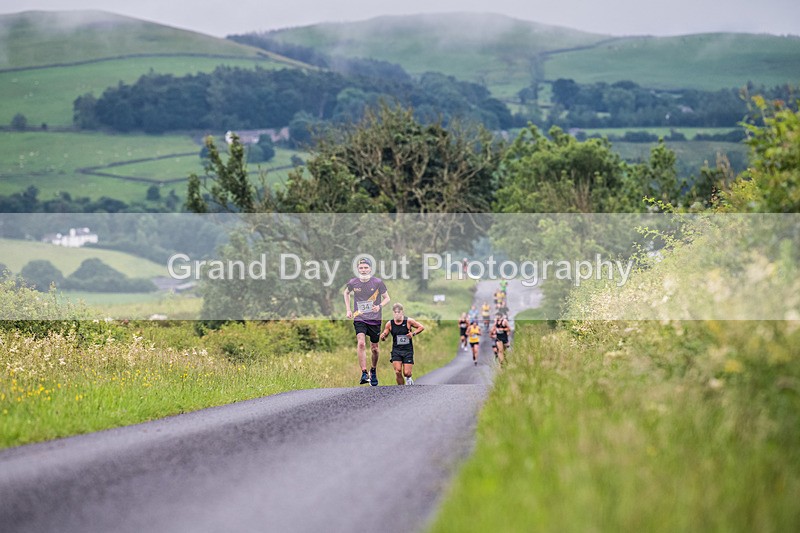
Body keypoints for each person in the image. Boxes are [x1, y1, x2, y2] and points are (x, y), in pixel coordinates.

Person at [344, 257, 390, 386]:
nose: (363, 270)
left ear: (370, 269)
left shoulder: (378, 282)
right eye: (361, 268)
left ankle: (373, 370)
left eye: (365, 268)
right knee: (361, 344)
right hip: (359, 317)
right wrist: (348, 310)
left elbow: (387, 298)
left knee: (375, 349)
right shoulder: (353, 282)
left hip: (375, 319)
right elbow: (346, 293)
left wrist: (379, 306)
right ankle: (364, 373)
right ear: (358, 269)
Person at [380, 303, 425, 385]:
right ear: (393, 313)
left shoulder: (408, 321)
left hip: (408, 350)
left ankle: (409, 378)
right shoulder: (390, 323)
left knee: (407, 373)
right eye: (395, 312)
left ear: (402, 312)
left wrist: (413, 334)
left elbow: (421, 327)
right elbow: (385, 334)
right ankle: (401, 390)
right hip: (396, 350)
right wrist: (383, 336)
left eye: (398, 312)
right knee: (397, 371)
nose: (397, 314)